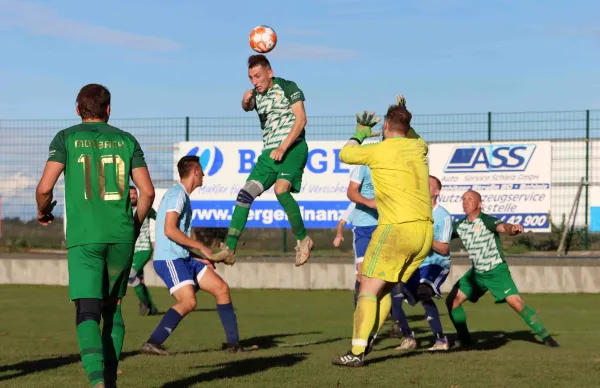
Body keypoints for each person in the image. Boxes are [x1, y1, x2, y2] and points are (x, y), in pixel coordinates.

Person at [36, 83, 155, 388]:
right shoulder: (127, 140)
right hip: (121, 236)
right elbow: (147, 192)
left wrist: (43, 210)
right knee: (112, 308)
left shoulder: (66, 137)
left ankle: (97, 382)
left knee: (87, 311)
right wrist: (135, 225)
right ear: (108, 109)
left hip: (85, 238)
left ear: (78, 110)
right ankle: (111, 381)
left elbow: (45, 188)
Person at [331, 97, 434, 368]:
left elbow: (345, 154)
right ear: (407, 127)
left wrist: (360, 134)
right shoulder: (418, 147)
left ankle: (356, 351)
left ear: (385, 125)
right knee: (385, 286)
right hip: (423, 233)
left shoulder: (378, 150)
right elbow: (409, 132)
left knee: (367, 285)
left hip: (396, 230)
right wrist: (403, 116)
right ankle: (369, 337)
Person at [211, 54, 313, 267]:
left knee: (281, 190)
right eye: (250, 77)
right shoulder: (256, 95)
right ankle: (229, 249)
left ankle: (304, 240)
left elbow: (301, 119)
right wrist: (245, 101)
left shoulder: (287, 86)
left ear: (270, 72)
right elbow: (247, 107)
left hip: (292, 149)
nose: (254, 81)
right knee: (244, 194)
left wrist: (283, 147)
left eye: (258, 76)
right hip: (269, 155)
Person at [140, 155, 245, 356]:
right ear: (195, 172)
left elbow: (176, 237)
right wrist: (201, 247)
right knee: (188, 302)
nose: (204, 174)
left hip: (183, 258)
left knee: (221, 288)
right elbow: (169, 230)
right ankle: (153, 342)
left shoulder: (182, 196)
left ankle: (234, 345)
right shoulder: (177, 195)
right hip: (169, 259)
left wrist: (197, 257)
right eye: (202, 171)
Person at [446, 190, 560, 348]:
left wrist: (512, 229)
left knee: (516, 303)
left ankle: (546, 337)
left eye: (470, 199)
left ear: (479, 204)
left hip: (496, 271)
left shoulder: (486, 220)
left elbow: (503, 227)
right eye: (463, 199)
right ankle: (464, 338)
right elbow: (441, 236)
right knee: (453, 300)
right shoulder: (460, 226)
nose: (466, 202)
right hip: (477, 274)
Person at [390, 175, 452, 351]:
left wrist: (425, 237)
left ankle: (441, 340)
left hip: (436, 264)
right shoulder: (414, 213)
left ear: (437, 191)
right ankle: (408, 337)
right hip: (416, 264)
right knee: (393, 294)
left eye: (429, 184)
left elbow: (444, 249)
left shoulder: (443, 216)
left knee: (424, 292)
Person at [333, 161, 378, 307]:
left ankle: (393, 316)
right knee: (361, 275)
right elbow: (341, 222)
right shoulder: (355, 204)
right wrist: (339, 235)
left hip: (380, 230)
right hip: (362, 234)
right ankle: (359, 308)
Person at [128, 186, 159, 316]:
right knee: (139, 280)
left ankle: (144, 303)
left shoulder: (145, 208)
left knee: (129, 276)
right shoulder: (124, 209)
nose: (133, 196)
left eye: (135, 193)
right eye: (131, 194)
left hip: (143, 249)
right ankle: (152, 308)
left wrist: (156, 239)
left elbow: (160, 219)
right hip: (130, 250)